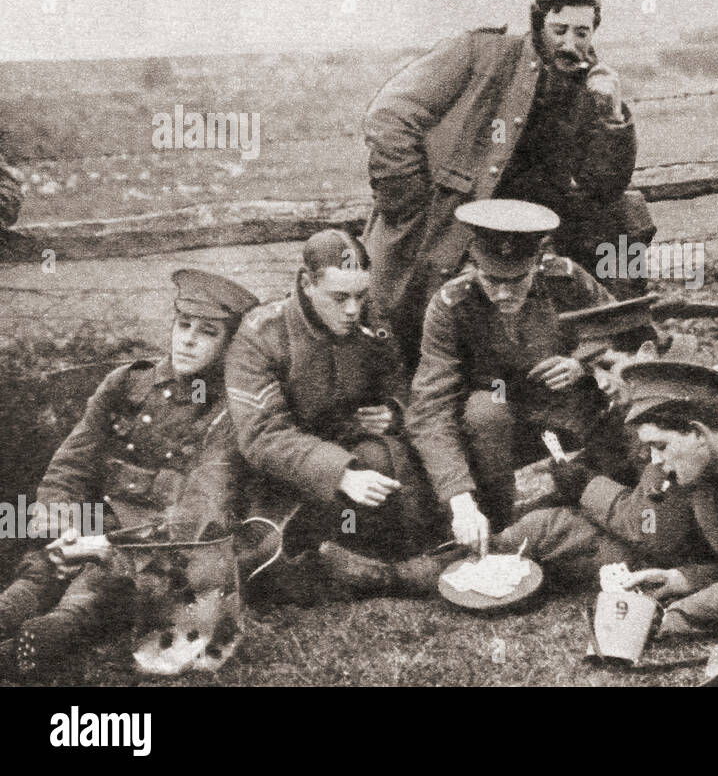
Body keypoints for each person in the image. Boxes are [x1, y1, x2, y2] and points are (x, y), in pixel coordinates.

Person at [363, 0, 649, 368]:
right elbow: (390, 114)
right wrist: (405, 199)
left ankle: (617, 356)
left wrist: (612, 115)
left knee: (626, 218)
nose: (570, 43)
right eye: (559, 29)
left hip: (532, 231)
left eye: (582, 32)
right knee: (400, 337)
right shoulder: (482, 52)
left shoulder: (592, 84)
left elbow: (603, 187)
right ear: (539, 22)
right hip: (451, 221)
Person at [0, 269, 258, 677]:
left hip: (165, 544)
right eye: (183, 325)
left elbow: (196, 515)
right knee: (39, 567)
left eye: (207, 332)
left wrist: (100, 545)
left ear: (229, 345)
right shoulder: (127, 383)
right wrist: (64, 529)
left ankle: (49, 637)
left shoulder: (229, 411)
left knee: (99, 586)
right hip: (96, 523)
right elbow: (70, 466)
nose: (188, 339)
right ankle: (11, 609)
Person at [496, 361, 718, 639]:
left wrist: (674, 617)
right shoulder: (703, 463)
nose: (656, 461)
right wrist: (680, 579)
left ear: (697, 432)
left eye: (660, 446)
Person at [225, 230, 444, 602]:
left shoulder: (373, 320)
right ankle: (346, 563)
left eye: (361, 295)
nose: (353, 310)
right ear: (307, 283)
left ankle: (385, 562)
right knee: (267, 560)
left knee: (386, 466)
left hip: (359, 456)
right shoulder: (262, 334)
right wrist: (339, 472)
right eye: (339, 297)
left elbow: (402, 383)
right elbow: (263, 435)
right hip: (287, 474)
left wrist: (393, 412)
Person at [405, 199, 614, 555]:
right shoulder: (451, 305)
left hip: (568, 411)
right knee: (485, 409)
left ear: (537, 262)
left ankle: (595, 504)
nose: (502, 292)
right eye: (491, 279)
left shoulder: (565, 279)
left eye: (516, 279)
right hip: (496, 429)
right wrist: (460, 501)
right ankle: (498, 522)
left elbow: (621, 329)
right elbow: (430, 406)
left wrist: (582, 363)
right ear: (473, 264)